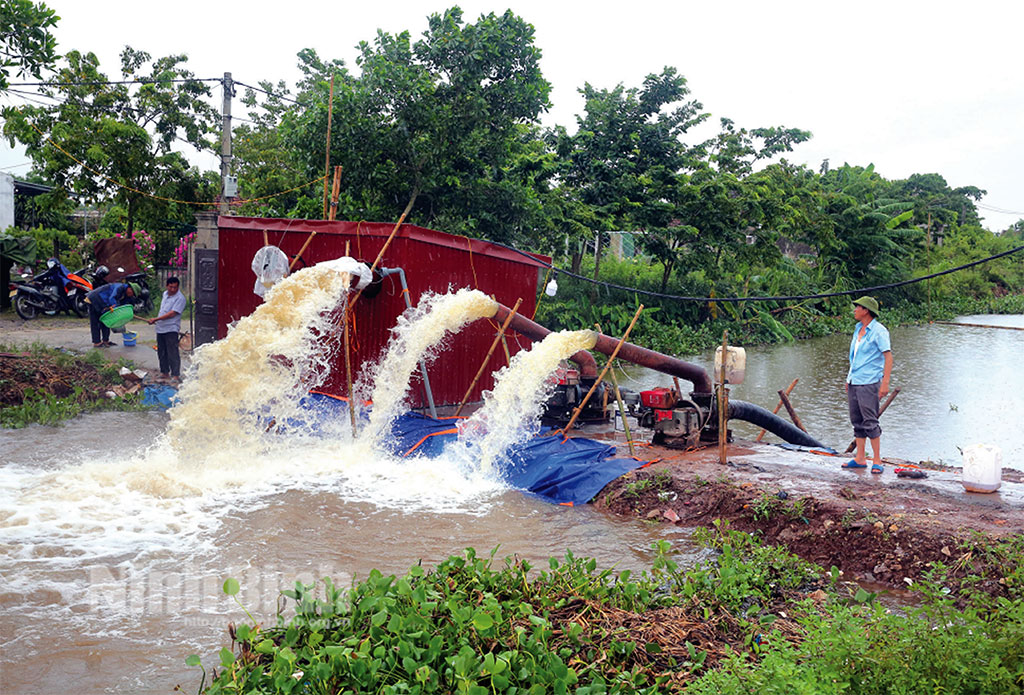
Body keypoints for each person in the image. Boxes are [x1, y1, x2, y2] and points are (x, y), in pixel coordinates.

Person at [842, 296, 893, 474]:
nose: (854, 310)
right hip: (855, 380)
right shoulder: (858, 329)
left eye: (857, 307)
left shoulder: (879, 332)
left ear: (866, 310)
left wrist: (884, 383)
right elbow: (855, 357)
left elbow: (888, 357)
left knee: (870, 421)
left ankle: (877, 460)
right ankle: (860, 458)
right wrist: (849, 379)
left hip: (869, 382)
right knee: (856, 420)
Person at [147, 276, 187, 384]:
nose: (173, 289)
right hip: (160, 328)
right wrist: (157, 320)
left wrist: (156, 319)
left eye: (175, 287)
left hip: (171, 328)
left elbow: (172, 313)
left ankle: (175, 375)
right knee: (162, 351)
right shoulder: (165, 294)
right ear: (167, 286)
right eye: (171, 287)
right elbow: (163, 310)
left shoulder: (180, 298)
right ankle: (164, 372)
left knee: (172, 352)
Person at [85, 281, 139, 348]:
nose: (131, 295)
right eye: (132, 293)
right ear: (130, 288)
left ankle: (105, 340)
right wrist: (116, 309)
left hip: (104, 302)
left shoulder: (125, 295)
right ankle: (97, 342)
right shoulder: (119, 287)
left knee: (106, 320)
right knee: (95, 322)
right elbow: (112, 298)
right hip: (94, 298)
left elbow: (123, 305)